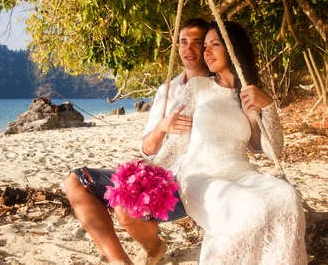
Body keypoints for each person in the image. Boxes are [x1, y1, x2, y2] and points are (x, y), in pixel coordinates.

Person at [154, 20, 307, 264]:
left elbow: (271, 149)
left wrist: (268, 108)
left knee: (287, 196)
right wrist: (148, 169)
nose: (206, 52)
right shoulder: (198, 87)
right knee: (253, 207)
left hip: (242, 173)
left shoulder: (249, 93)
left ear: (233, 49)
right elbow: (177, 142)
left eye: (214, 44)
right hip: (200, 176)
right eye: (206, 45)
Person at [62, 18, 210, 265]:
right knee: (75, 181)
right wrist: (163, 128)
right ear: (177, 47)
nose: (189, 49)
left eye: (197, 42)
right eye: (183, 42)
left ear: (207, 47)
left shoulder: (219, 87)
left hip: (190, 181)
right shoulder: (167, 91)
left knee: (125, 206)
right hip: (158, 175)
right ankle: (122, 261)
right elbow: (148, 150)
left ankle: (152, 248)